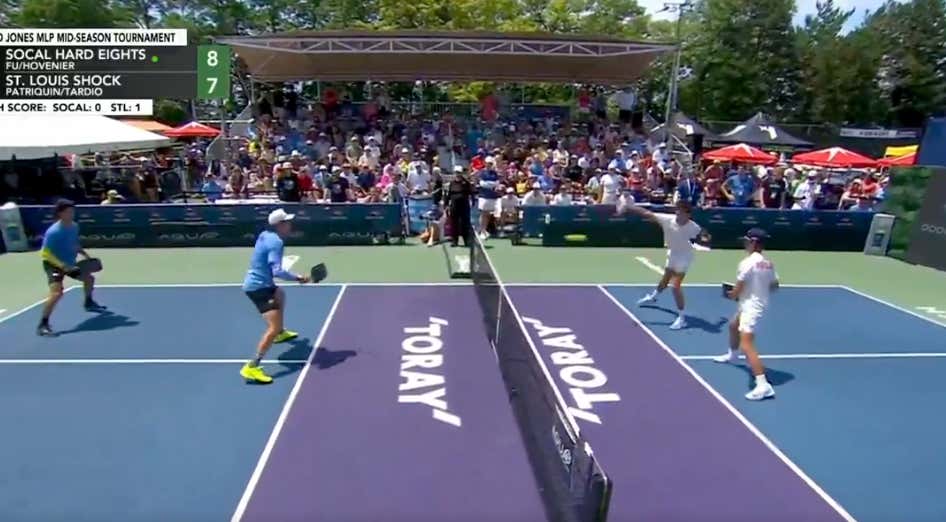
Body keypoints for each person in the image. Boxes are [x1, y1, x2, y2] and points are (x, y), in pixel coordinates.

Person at [241, 209, 311, 384]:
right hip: (259, 288)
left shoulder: (265, 235)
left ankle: (280, 333)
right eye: (287, 221)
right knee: (272, 327)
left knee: (280, 293)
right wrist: (298, 278)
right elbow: (277, 271)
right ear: (279, 225)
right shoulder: (276, 242)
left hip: (264, 284)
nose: (290, 224)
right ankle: (252, 366)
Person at [713, 228, 779, 401]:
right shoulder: (768, 263)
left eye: (746, 241)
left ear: (753, 243)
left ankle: (763, 385)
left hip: (752, 308)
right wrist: (757, 291)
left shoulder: (746, 263)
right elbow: (774, 286)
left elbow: (737, 289)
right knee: (733, 325)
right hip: (756, 304)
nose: (744, 243)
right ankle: (733, 356)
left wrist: (731, 294)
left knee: (747, 344)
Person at [627, 201, 709, 330]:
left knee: (675, 286)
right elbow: (647, 213)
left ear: (688, 214)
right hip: (672, 253)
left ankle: (682, 318)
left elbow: (703, 233)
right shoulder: (667, 219)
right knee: (665, 279)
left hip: (685, 256)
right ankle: (653, 297)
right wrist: (630, 207)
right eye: (677, 210)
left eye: (681, 211)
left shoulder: (693, 227)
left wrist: (705, 239)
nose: (677, 213)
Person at [38, 199, 105, 336]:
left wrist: (85, 255)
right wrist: (63, 266)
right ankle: (43, 324)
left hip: (69, 264)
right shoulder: (53, 232)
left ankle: (88, 302)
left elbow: (74, 243)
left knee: (89, 279)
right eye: (68, 212)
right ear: (60, 214)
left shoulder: (74, 226)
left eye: (72, 211)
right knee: (57, 293)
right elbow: (45, 253)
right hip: (53, 265)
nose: (71, 214)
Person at [446, 165, 473, 247]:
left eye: (459, 173)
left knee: (465, 223)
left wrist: (472, 201)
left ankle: (466, 240)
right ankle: (454, 241)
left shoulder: (466, 183)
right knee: (454, 223)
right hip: (454, 206)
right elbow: (448, 195)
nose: (458, 174)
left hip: (464, 205)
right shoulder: (451, 183)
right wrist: (446, 204)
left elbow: (471, 193)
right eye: (456, 173)